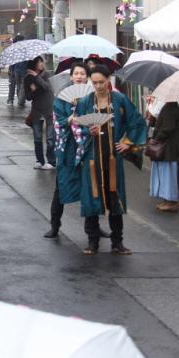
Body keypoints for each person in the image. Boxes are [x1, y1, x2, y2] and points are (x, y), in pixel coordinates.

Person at [75, 65, 147, 255]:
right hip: (92, 158)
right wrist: (87, 131)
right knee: (92, 197)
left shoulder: (120, 100)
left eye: (102, 82)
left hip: (113, 158)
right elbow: (78, 127)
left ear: (109, 80)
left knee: (115, 197)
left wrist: (127, 142)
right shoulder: (85, 102)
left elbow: (137, 122)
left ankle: (117, 242)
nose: (98, 86)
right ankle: (92, 242)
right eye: (95, 82)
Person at [45, 62, 108, 239]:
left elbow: (100, 119)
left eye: (83, 73)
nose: (79, 76)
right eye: (76, 73)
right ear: (71, 76)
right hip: (68, 148)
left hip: (89, 147)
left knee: (92, 188)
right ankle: (55, 225)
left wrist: (91, 125)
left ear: (87, 77)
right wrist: (69, 120)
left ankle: (94, 227)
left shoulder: (93, 96)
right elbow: (57, 123)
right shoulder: (62, 98)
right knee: (61, 187)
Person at [147, 100, 179, 212]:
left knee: (168, 175)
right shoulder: (171, 106)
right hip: (168, 147)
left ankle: (171, 201)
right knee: (166, 174)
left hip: (168, 148)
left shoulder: (170, 107)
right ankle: (167, 200)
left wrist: (156, 139)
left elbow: (168, 127)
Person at [25, 57, 56, 170]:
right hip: (37, 110)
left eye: (41, 61)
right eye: (38, 62)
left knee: (50, 138)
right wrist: (33, 90)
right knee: (37, 137)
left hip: (49, 109)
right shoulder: (28, 78)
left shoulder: (47, 75)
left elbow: (47, 87)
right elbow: (28, 97)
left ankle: (51, 161)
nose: (41, 64)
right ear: (33, 64)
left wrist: (36, 77)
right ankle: (39, 160)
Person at [7, 34, 26, 106]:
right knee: (20, 86)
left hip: (14, 69)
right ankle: (20, 100)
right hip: (20, 70)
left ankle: (11, 100)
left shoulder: (13, 48)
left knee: (14, 85)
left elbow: (11, 60)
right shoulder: (23, 48)